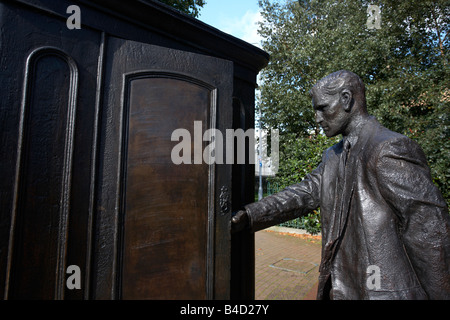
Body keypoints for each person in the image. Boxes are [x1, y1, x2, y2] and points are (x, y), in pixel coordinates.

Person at [232, 70, 450, 300]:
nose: (317, 118)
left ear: (346, 99)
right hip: (341, 289)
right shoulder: (332, 156)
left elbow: (430, 231)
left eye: (322, 108)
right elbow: (303, 193)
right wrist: (249, 215)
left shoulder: (389, 149)